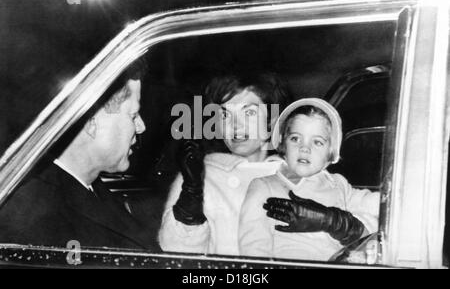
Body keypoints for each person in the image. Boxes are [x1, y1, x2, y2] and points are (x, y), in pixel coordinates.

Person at [0, 60, 160, 251]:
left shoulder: (92, 190)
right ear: (91, 122)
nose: (142, 126)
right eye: (133, 115)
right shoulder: (31, 212)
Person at [158, 72, 292, 255]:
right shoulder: (201, 175)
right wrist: (190, 201)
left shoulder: (296, 177)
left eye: (249, 112)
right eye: (225, 115)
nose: (235, 125)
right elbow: (177, 255)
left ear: (272, 121)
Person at [239, 98, 380, 261]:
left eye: (317, 142)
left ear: (331, 152)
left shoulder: (338, 183)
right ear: (283, 144)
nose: (304, 148)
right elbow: (253, 251)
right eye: (295, 139)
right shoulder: (264, 187)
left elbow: (379, 205)